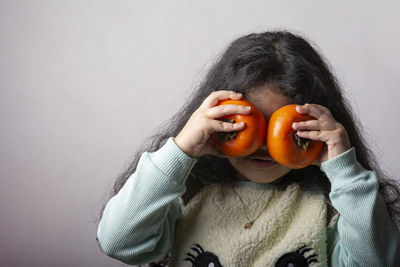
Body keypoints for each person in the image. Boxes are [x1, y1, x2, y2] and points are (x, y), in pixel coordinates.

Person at [96, 31, 400, 266]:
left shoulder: (330, 212)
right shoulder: (188, 199)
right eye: (247, 125)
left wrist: (345, 170)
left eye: (285, 128)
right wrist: (181, 150)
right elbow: (120, 242)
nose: (265, 147)